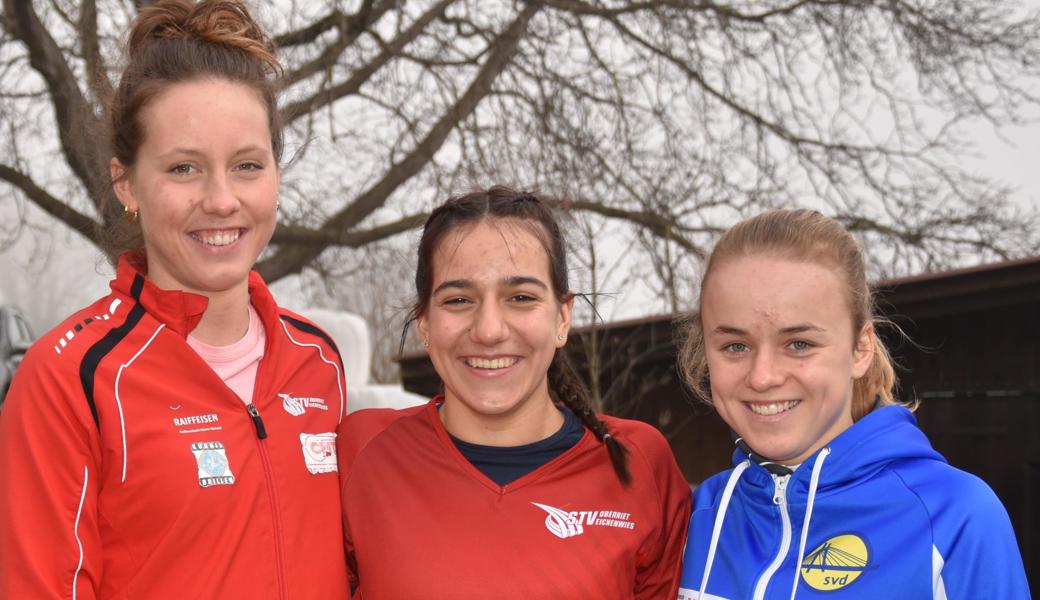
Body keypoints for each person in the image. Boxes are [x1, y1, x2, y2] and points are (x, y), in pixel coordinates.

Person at [0, 1, 348, 597]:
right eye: (184, 168)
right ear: (127, 183)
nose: (220, 200)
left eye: (246, 165)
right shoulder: (69, 378)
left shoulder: (319, 363)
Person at [338, 186, 692, 599]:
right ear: (425, 325)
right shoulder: (362, 452)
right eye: (458, 299)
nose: (489, 330)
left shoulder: (637, 461)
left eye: (521, 297)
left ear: (562, 318)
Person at [675, 209, 1029, 599]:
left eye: (799, 344)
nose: (762, 377)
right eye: (735, 346)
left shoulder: (954, 515)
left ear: (860, 348)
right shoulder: (696, 518)